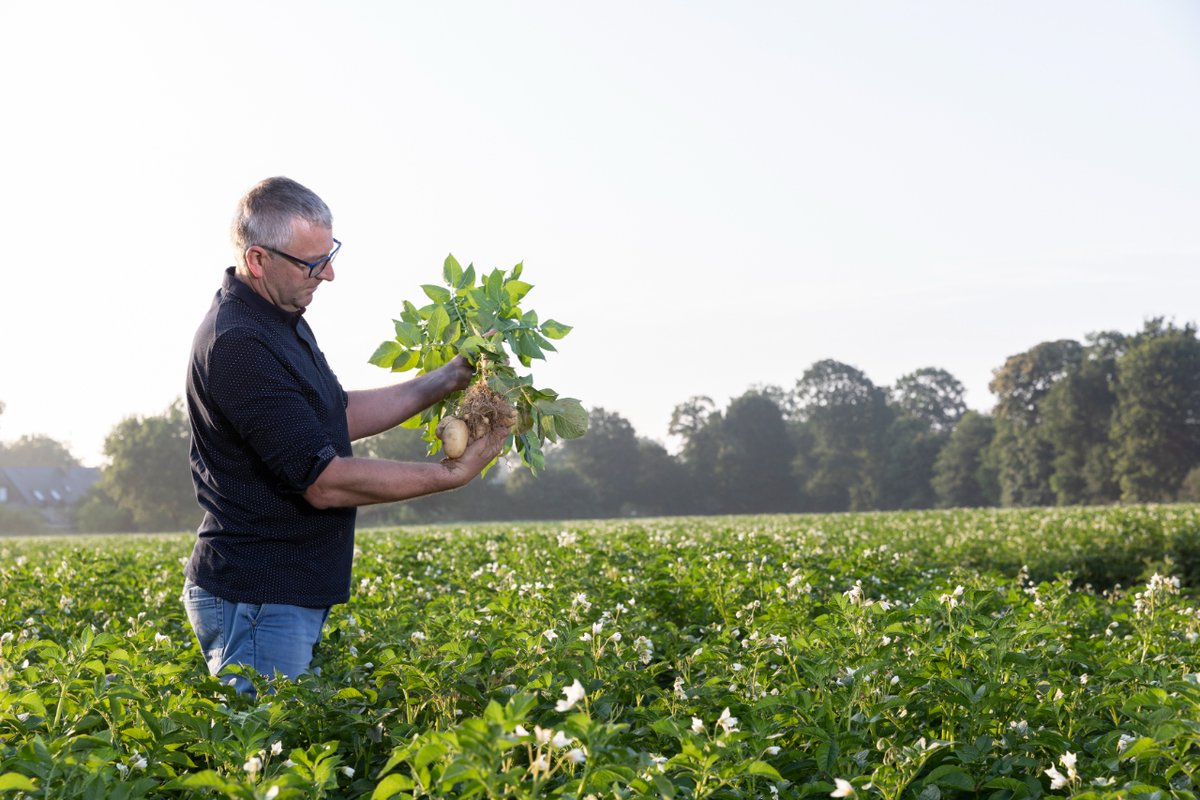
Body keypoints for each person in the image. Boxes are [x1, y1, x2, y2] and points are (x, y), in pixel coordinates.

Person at [182, 176, 508, 694]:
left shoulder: (280, 316)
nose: (328, 273)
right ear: (259, 260)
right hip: (259, 597)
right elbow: (324, 481)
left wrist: (447, 378)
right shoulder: (239, 344)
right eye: (311, 263)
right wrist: (450, 474)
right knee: (264, 755)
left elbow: (332, 415)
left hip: (280, 593)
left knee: (277, 750)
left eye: (328, 254)